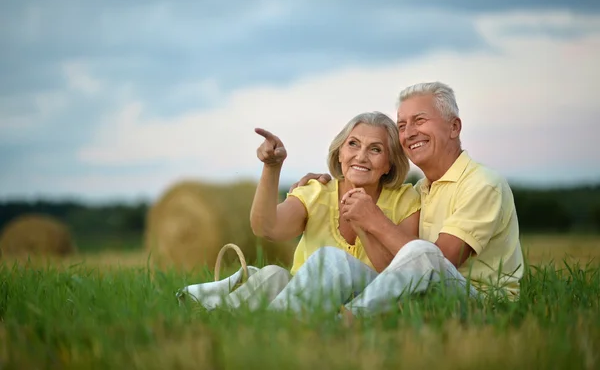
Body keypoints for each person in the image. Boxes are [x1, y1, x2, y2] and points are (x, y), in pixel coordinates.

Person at [267, 81, 525, 317]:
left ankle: (348, 319)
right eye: (402, 125)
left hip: (482, 305)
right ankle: (277, 322)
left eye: (420, 120)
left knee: (424, 253)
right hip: (424, 297)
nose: (409, 132)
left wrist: (373, 220)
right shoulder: (422, 189)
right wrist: (336, 180)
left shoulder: (482, 185)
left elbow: (436, 264)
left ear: (454, 127)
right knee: (332, 262)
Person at [177, 111, 421, 311]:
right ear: (340, 153)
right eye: (353, 144)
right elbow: (265, 227)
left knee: (332, 262)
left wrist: (366, 223)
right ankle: (218, 314)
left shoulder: (405, 200)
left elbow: (400, 274)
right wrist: (272, 168)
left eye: (375, 149)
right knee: (273, 274)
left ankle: (271, 323)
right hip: (306, 299)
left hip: (371, 300)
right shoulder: (317, 192)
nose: (361, 156)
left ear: (389, 163)